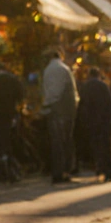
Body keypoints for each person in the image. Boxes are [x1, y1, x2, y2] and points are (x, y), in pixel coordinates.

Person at [41, 47, 78, 184]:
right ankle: (64, 171)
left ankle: (57, 171)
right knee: (65, 141)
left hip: (52, 109)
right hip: (64, 109)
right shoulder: (64, 69)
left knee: (56, 142)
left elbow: (48, 91)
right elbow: (69, 92)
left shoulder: (47, 70)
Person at [78, 67, 111, 182]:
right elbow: (110, 104)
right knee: (106, 145)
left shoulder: (86, 87)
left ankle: (100, 167)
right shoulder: (103, 86)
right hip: (104, 121)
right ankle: (108, 169)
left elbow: (83, 105)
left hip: (92, 121)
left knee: (96, 146)